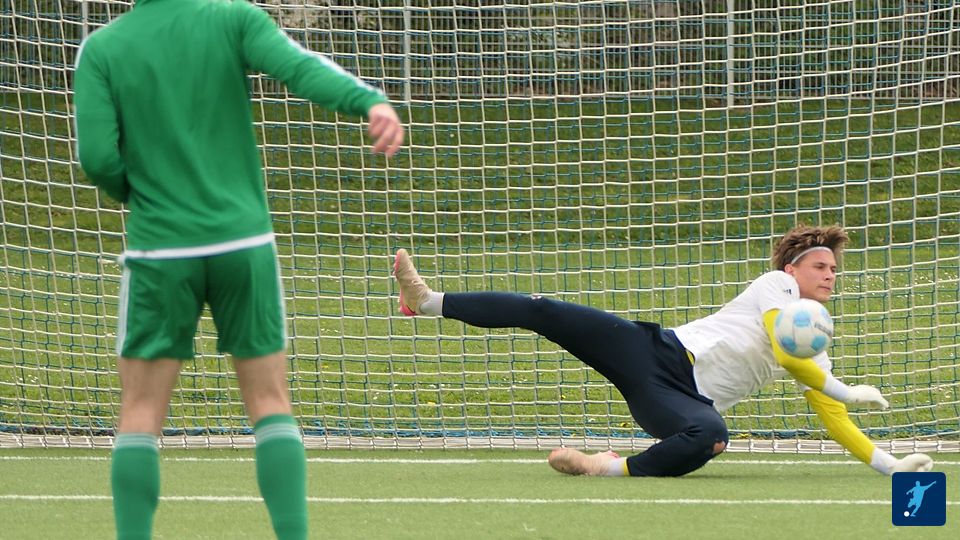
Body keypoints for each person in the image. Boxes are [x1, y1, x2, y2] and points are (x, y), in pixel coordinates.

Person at [73, 1, 403, 538]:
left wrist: (140, 194)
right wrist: (369, 101)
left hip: (161, 250)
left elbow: (97, 157)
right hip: (243, 243)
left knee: (141, 412)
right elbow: (299, 67)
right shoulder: (234, 18)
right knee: (270, 404)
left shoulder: (103, 48)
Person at [392, 225, 934, 477]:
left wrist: (891, 467)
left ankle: (604, 467)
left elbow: (831, 414)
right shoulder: (777, 286)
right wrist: (845, 388)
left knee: (712, 436)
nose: (831, 274)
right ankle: (427, 300)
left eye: (835, 269)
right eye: (821, 265)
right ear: (793, 268)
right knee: (547, 311)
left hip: (678, 402)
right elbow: (788, 354)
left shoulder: (817, 340)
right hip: (657, 351)